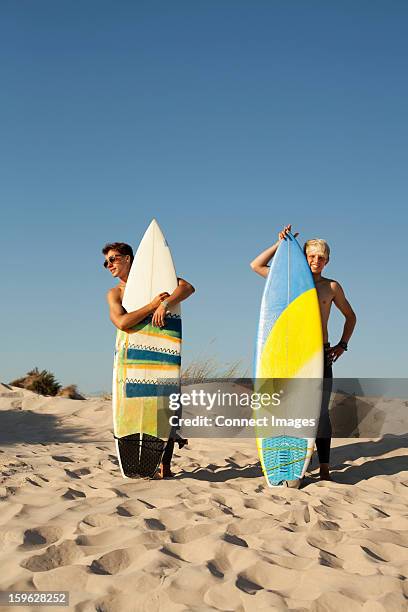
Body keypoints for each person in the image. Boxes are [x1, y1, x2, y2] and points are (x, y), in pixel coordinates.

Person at [250, 224, 356, 481]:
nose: (315, 261)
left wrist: (342, 344)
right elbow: (256, 265)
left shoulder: (331, 287)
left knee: (319, 411)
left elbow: (351, 317)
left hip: (318, 355)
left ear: (327, 260)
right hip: (288, 357)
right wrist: (281, 245)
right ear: (304, 257)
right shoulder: (288, 283)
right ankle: (295, 459)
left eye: (320, 257)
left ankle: (325, 468)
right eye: (310, 256)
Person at [103, 241, 195, 478]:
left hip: (161, 354)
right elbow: (122, 322)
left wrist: (165, 303)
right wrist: (152, 305)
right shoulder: (115, 293)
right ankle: (140, 462)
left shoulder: (160, 283)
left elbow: (187, 288)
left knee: (164, 406)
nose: (108, 265)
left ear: (128, 259)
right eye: (106, 262)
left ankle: (164, 464)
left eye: (113, 259)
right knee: (136, 408)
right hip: (131, 356)